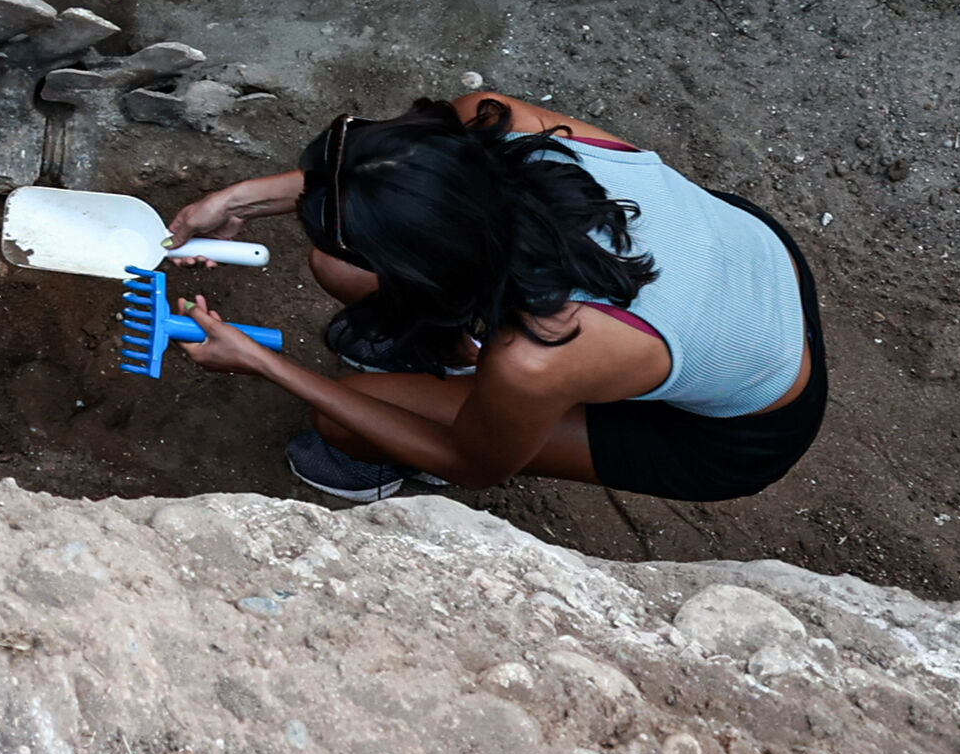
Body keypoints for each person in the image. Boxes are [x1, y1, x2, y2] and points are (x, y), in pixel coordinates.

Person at [160, 94, 826, 505]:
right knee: (336, 265)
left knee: (348, 419)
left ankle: (378, 464)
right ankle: (449, 360)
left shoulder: (541, 351)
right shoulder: (492, 122)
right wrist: (238, 199)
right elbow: (384, 182)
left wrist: (266, 364)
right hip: (747, 265)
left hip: (730, 430)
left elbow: (472, 464)